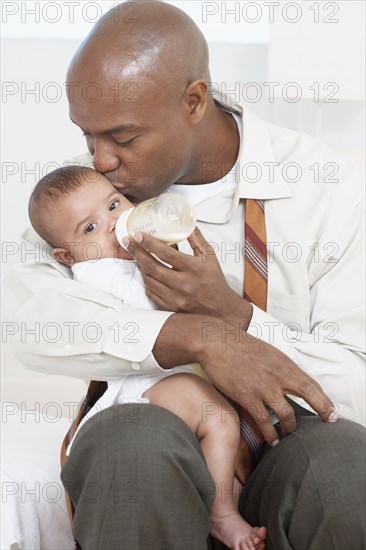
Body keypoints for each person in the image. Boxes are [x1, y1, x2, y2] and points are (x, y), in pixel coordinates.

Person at [6, 1, 365, 549]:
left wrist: (234, 317)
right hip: (159, 436)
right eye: (87, 137)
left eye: (122, 138)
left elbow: (357, 384)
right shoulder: (87, 201)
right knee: (129, 444)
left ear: (194, 102)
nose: (101, 159)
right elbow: (27, 319)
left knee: (345, 467)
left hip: (289, 444)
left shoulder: (331, 189)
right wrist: (195, 336)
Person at [28, 164, 267, 550]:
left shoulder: (127, 257)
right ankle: (221, 514)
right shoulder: (98, 273)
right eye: (89, 229)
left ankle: (219, 507)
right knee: (218, 417)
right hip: (143, 391)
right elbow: (152, 310)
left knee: (219, 427)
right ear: (66, 256)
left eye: (113, 205)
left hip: (162, 386)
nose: (111, 224)